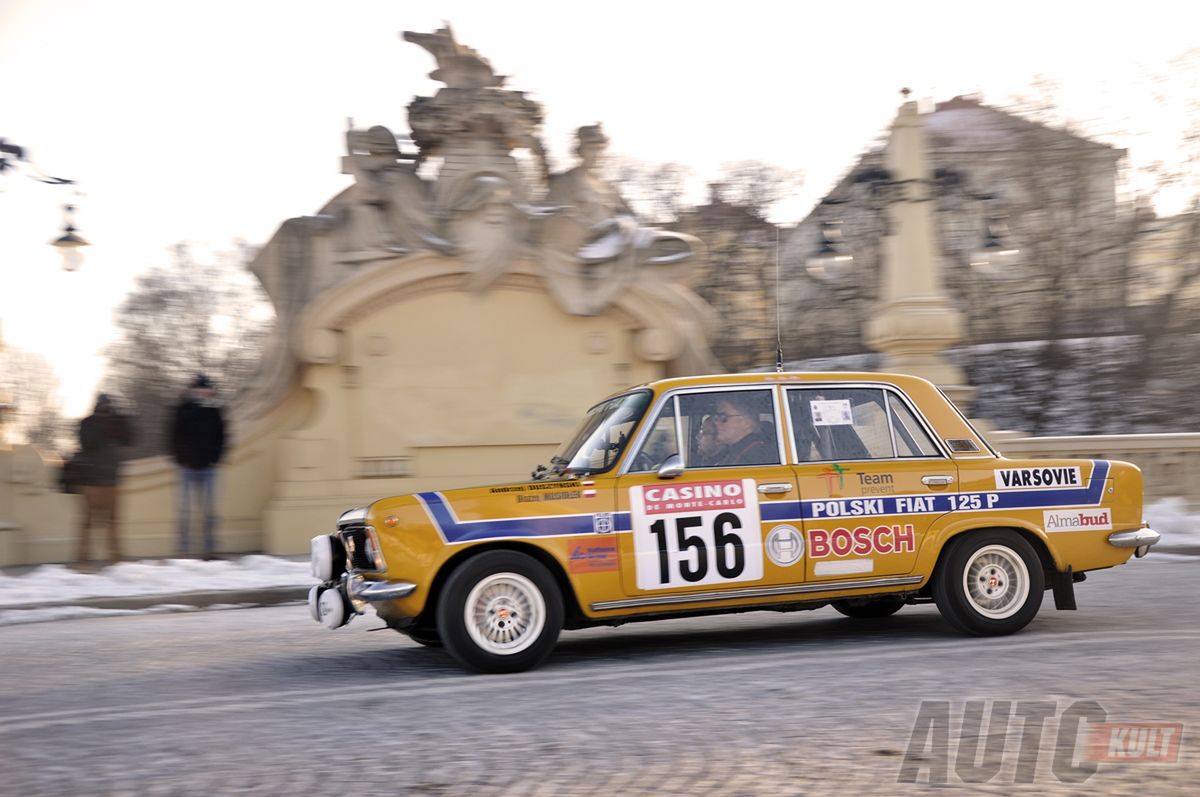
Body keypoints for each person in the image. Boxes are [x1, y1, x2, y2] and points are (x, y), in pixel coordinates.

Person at [169, 374, 227, 558]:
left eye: (207, 388)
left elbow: (222, 435)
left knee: (210, 510)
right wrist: (180, 459)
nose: (204, 391)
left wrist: (217, 458)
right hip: (187, 467)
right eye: (201, 388)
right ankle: (183, 549)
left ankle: (209, 548)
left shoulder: (215, 411)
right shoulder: (183, 409)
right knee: (184, 510)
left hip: (208, 467)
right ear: (195, 390)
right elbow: (174, 435)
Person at [73, 393, 134, 563]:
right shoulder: (88, 422)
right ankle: (83, 557)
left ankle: (115, 558)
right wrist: (103, 424)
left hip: (111, 480)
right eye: (104, 406)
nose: (105, 409)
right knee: (88, 521)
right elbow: (87, 443)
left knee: (113, 521)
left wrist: (122, 419)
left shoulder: (115, 422)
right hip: (92, 481)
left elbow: (129, 440)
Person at [711, 395, 778, 467]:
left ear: (747, 422)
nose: (716, 422)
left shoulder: (757, 456)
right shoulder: (733, 452)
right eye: (716, 417)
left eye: (723, 417)